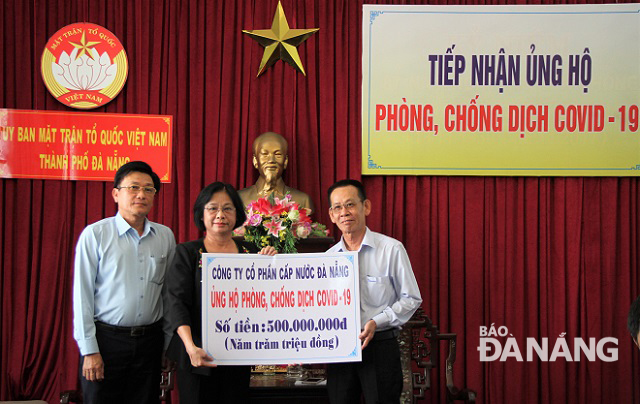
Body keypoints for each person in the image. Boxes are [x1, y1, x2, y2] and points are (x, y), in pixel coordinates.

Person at [73, 161, 176, 404]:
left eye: (149, 189)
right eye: (134, 187)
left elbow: (169, 295)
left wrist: (168, 344)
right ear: (116, 193)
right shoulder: (95, 235)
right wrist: (90, 350)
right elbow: (82, 297)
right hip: (106, 342)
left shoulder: (165, 236)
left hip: (150, 343)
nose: (142, 194)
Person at [163, 182, 276, 403]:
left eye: (228, 208)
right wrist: (190, 347)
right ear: (202, 214)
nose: (220, 215)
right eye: (213, 208)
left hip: (238, 356)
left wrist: (269, 264)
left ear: (237, 214)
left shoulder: (251, 252)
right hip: (197, 356)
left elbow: (267, 301)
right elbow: (176, 303)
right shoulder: (187, 253)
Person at [325, 179, 422, 404]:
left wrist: (376, 321)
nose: (344, 212)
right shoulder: (328, 258)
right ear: (331, 215)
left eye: (350, 205)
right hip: (340, 347)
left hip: (380, 346)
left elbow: (411, 298)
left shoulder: (391, 249)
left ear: (365, 206)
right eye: (337, 207)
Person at [238, 131, 314, 213]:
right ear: (255, 161)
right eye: (264, 154)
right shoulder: (239, 198)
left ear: (285, 161)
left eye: (278, 154)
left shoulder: (303, 200)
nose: (271, 160)